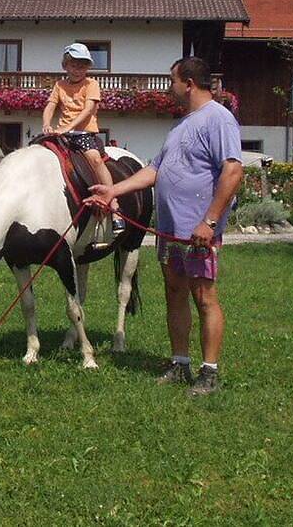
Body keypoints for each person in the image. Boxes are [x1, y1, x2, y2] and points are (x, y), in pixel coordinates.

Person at [85, 57, 243, 396]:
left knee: (204, 297)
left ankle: (210, 372)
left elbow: (232, 171)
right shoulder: (182, 126)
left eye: (172, 80)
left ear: (188, 82)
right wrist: (113, 189)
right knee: (175, 293)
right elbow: (155, 170)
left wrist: (210, 221)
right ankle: (180, 363)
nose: (169, 87)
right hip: (172, 232)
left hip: (199, 231)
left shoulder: (218, 118)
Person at [42, 43, 125, 238]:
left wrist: (68, 127)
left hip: (84, 134)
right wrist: (47, 123)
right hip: (62, 135)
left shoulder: (91, 84)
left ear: (88, 68)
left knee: (95, 160)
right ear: (65, 66)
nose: (78, 69)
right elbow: (50, 106)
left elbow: (88, 110)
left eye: (82, 65)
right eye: (73, 64)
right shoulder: (59, 85)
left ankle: (114, 205)